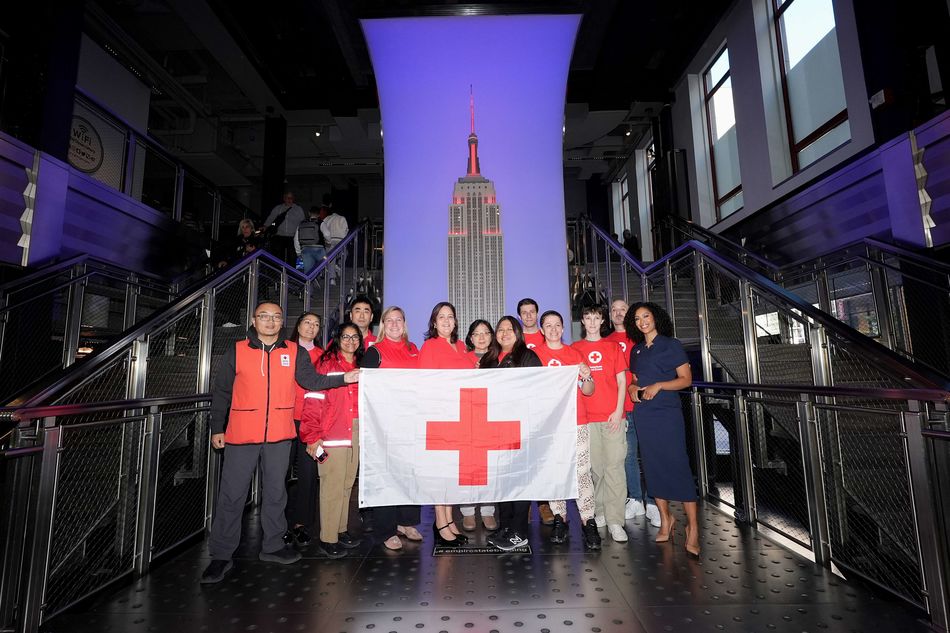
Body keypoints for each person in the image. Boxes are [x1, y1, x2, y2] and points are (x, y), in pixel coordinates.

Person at [200, 302, 359, 584]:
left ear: (282, 321)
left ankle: (272, 546)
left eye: (276, 317)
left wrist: (343, 378)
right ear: (254, 319)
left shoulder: (294, 351)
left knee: (276, 494)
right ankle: (221, 555)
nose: (270, 321)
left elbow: (312, 380)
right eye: (264, 316)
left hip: (280, 435)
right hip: (241, 433)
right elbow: (222, 390)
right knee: (232, 496)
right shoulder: (237, 350)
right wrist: (217, 427)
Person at [625, 302, 700, 557]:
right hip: (644, 416)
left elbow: (686, 379)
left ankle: (693, 528)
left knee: (678, 465)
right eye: (637, 318)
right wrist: (632, 389)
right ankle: (667, 519)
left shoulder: (671, 345)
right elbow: (635, 379)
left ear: (656, 317)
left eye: (646, 316)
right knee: (653, 466)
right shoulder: (636, 351)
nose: (642, 321)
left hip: (667, 414)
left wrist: (659, 385)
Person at [533, 310, 601, 550]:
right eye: (548, 325)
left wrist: (588, 375)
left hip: (577, 421)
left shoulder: (575, 354)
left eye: (557, 325)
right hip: (550, 424)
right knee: (555, 471)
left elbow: (589, 390)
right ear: (541, 330)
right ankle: (560, 517)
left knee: (582, 471)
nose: (553, 329)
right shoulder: (534, 356)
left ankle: (588, 520)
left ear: (563, 329)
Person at [360, 306, 423, 550]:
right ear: (383, 325)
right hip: (384, 424)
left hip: (411, 422)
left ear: (405, 324)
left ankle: (407, 522)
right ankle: (386, 529)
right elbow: (366, 389)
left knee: (409, 473)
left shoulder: (413, 349)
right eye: (390, 320)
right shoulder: (374, 352)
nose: (395, 324)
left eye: (399, 320)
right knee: (386, 476)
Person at [299, 323, 365, 559]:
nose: (350, 341)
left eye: (354, 337)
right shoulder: (327, 365)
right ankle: (328, 538)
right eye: (345, 337)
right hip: (332, 434)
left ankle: (341, 529)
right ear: (337, 339)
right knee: (331, 487)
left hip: (356, 431)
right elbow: (313, 401)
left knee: (347, 484)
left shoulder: (362, 366)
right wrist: (312, 436)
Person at [480, 315, 542, 551]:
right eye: (500, 329)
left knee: (520, 480)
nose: (504, 333)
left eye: (509, 329)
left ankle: (519, 532)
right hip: (495, 428)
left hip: (521, 428)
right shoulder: (489, 359)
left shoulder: (527, 356)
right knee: (502, 480)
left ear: (518, 332)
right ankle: (506, 526)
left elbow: (539, 390)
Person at [418, 302, 475, 547]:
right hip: (440, 417)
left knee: (452, 474)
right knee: (441, 473)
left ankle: (450, 520)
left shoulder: (462, 346)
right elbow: (424, 383)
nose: (446, 321)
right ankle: (440, 523)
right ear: (433, 322)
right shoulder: (429, 346)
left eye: (450, 316)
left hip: (460, 418)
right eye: (441, 317)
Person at [572, 304, 629, 543]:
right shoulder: (575, 349)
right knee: (596, 469)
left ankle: (616, 520)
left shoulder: (612, 346)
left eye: (596, 317)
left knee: (615, 466)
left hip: (612, 416)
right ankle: (601, 512)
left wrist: (618, 411)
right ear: (582, 321)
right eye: (588, 317)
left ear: (602, 321)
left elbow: (622, 380)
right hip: (587, 418)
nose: (592, 322)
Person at [605, 299, 661, 528]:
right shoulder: (606, 342)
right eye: (614, 310)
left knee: (650, 453)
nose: (618, 313)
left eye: (623, 310)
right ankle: (636, 499)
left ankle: (654, 503)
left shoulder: (641, 338)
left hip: (645, 405)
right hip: (623, 409)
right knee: (628, 456)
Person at [284, 312, 324, 547]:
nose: (311, 327)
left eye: (316, 325)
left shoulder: (321, 355)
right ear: (298, 325)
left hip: (310, 422)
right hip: (285, 419)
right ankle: (280, 524)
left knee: (308, 475)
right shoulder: (284, 350)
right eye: (307, 322)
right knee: (279, 475)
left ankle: (301, 524)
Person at [516, 297, 554, 527]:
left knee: (542, 455)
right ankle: (524, 502)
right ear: (519, 316)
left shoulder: (547, 335)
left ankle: (543, 503)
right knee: (521, 455)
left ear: (537, 313)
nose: (529, 315)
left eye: (532, 312)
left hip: (543, 406)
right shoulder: (515, 337)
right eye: (524, 312)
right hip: (520, 406)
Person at [459, 319, 497, 531]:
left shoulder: (499, 358)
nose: (482, 337)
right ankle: (467, 511)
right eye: (477, 333)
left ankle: (488, 511)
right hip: (467, 417)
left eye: (486, 333)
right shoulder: (461, 358)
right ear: (470, 338)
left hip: (491, 418)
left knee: (489, 466)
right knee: (468, 465)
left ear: (492, 336)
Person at [263, 191, 306, 265]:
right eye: (287, 198)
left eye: (291, 198)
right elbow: (271, 218)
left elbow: (303, 223)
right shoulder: (278, 208)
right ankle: (279, 273)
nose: (289, 199)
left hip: (293, 237)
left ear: (293, 199)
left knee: (292, 257)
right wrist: (265, 226)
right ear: (284, 198)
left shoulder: (298, 209)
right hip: (279, 236)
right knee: (278, 257)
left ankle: (291, 274)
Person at [294, 206, 327, 273]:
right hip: (319, 250)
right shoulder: (321, 223)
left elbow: (296, 239)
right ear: (319, 214)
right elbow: (327, 234)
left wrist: (298, 252)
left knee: (308, 272)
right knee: (326, 264)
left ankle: (309, 282)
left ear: (309, 213)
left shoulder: (301, 223)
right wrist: (328, 242)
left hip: (305, 250)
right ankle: (323, 274)